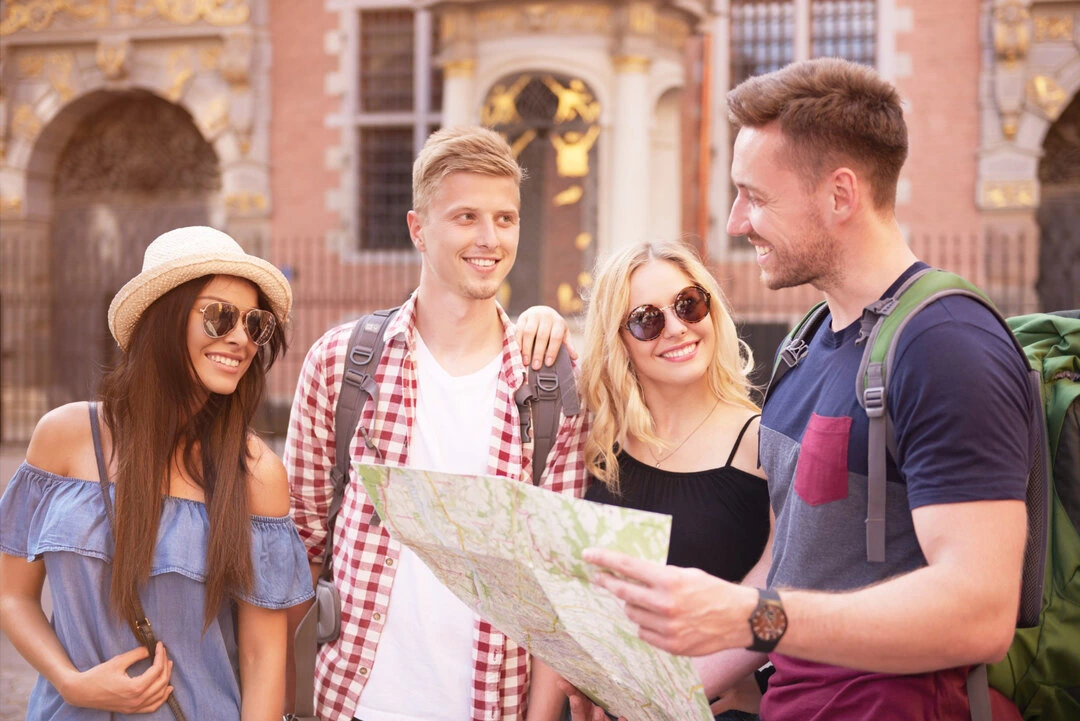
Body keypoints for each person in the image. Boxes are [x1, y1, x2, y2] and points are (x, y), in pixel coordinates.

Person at [578, 58, 1033, 721]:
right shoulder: (805, 346)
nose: (736, 221)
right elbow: (783, 572)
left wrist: (752, 616)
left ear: (839, 195)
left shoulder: (946, 346)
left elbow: (981, 611)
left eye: (755, 196)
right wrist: (646, 692)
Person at [284, 126, 590, 721]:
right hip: (350, 699)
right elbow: (296, 542)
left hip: (489, 704)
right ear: (418, 229)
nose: (489, 238)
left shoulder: (550, 383)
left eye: (506, 219)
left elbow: (560, 581)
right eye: (466, 217)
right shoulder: (341, 362)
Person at [0, 226, 314, 720]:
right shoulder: (64, 436)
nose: (240, 338)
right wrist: (72, 683)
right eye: (219, 316)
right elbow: (12, 595)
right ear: (163, 319)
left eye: (255, 324)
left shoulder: (255, 474)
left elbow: (262, 657)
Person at [576, 239, 772, 720]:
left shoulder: (764, 442)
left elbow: (792, 590)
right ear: (617, 340)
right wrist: (537, 317)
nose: (678, 328)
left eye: (689, 304)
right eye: (647, 319)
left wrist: (767, 687)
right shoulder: (598, 442)